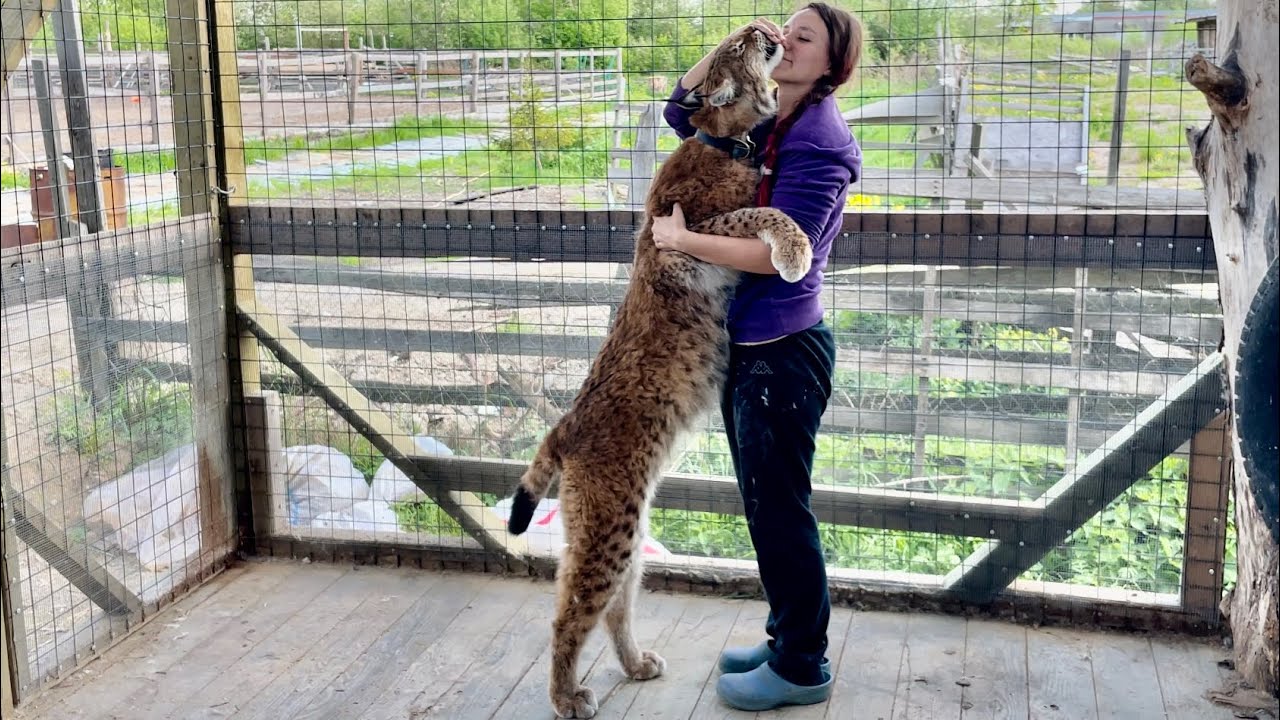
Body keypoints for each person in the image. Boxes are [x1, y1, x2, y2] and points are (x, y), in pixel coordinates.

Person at [653, 3, 863, 712]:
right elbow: (679, 111)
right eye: (782, 32)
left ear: (831, 64)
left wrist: (682, 243)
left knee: (780, 512)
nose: (787, 42)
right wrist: (731, 46)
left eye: (803, 38)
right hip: (750, 341)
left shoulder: (822, 141)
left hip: (784, 349)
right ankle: (784, 638)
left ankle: (803, 665)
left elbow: (781, 255)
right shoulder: (772, 114)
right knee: (763, 505)